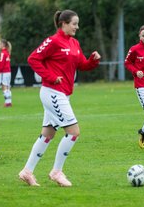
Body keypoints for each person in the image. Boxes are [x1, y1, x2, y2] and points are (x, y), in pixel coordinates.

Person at [19, 10, 101, 187]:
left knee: (47, 134)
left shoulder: (74, 43)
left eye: (77, 24)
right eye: (74, 24)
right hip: (52, 92)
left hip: (62, 94)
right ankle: (56, 172)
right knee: (73, 132)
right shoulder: (53, 41)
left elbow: (82, 65)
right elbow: (33, 59)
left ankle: (27, 171)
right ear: (63, 23)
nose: (77, 27)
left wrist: (93, 61)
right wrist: (49, 76)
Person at [0, 39, 12, 107]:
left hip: (4, 72)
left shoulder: (3, 53)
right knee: (8, 87)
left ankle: (7, 103)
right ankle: (9, 102)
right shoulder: (7, 52)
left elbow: (2, 64)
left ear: (3, 44)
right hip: (8, 72)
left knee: (4, 86)